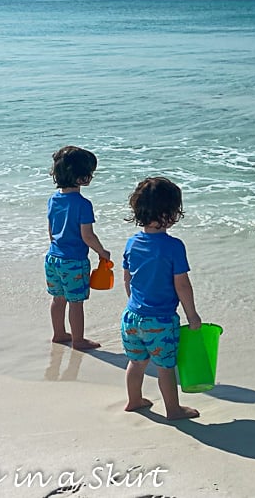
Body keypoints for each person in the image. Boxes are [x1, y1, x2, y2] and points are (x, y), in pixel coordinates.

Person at [121, 176, 203, 420]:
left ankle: (134, 400)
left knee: (136, 362)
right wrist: (192, 315)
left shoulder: (132, 243)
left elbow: (128, 278)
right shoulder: (173, 246)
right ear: (171, 213)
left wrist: (134, 303)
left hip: (132, 316)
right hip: (161, 321)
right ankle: (173, 409)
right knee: (166, 367)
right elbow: (182, 285)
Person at [45, 145, 110, 349]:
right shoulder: (83, 204)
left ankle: (58, 333)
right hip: (74, 261)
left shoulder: (53, 200)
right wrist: (102, 252)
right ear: (82, 177)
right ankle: (78, 340)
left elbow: (50, 230)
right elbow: (87, 235)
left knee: (58, 298)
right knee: (76, 302)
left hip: (53, 257)